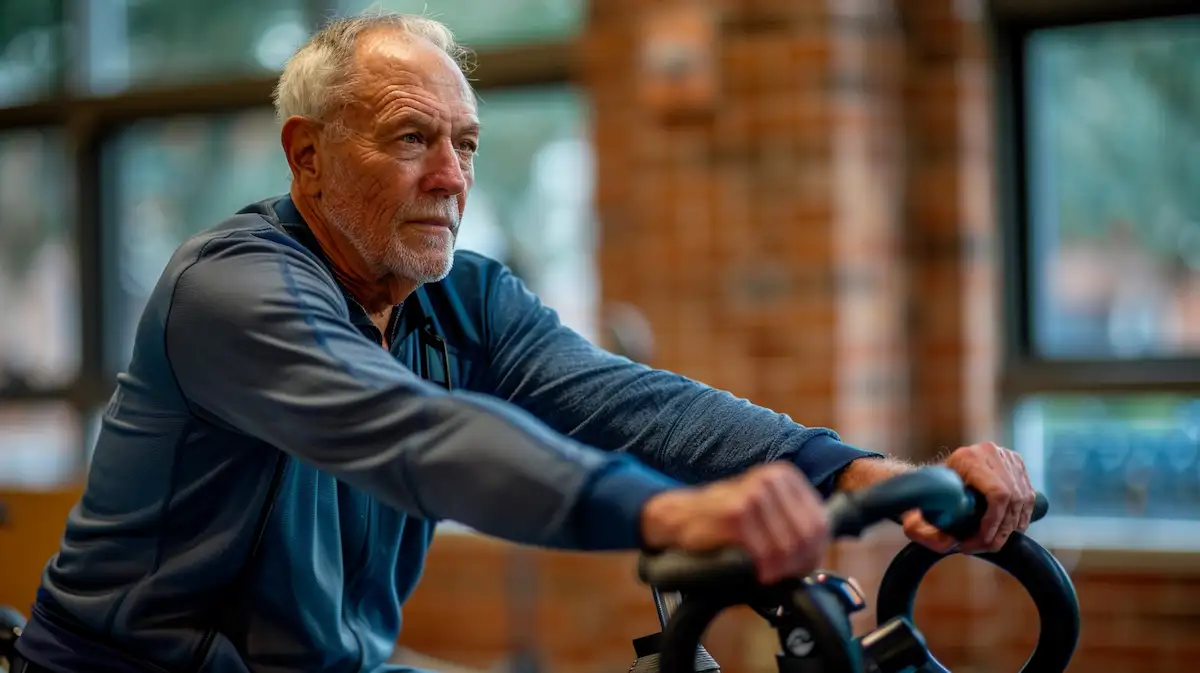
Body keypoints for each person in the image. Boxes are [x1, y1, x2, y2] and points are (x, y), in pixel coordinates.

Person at [12, 12, 1035, 673]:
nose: (451, 177)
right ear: (308, 155)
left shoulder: (466, 296)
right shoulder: (232, 291)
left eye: (464, 145)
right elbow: (418, 435)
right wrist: (674, 514)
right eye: (412, 137)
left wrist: (874, 477)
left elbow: (630, 402)